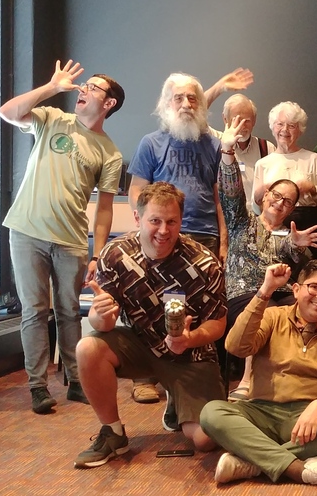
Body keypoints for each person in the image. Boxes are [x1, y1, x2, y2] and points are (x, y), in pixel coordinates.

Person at [0, 59, 124, 413]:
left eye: (93, 87)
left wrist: (99, 255)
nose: (83, 90)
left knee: (69, 312)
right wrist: (52, 87)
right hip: (26, 232)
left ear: (109, 103)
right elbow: (8, 112)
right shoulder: (53, 118)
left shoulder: (110, 153)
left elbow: (104, 210)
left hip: (70, 240)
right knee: (35, 310)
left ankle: (76, 381)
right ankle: (38, 386)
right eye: (84, 86)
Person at [73, 182, 227, 468]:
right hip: (140, 344)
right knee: (88, 347)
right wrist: (99, 315)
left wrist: (189, 339)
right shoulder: (115, 254)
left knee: (206, 440)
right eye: (154, 221)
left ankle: (176, 400)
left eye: (172, 222)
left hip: (191, 356)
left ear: (182, 220)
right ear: (137, 218)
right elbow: (102, 325)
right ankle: (113, 433)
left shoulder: (205, 263)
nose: (163, 231)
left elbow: (218, 323)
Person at [200, 261, 317, 488]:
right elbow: (236, 346)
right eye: (314, 287)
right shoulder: (273, 316)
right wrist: (264, 292)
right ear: (296, 290)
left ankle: (252, 462)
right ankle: (297, 468)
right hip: (262, 412)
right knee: (212, 413)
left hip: (311, 423)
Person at [127, 72, 227, 406]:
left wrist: (224, 240)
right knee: (150, 304)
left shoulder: (214, 144)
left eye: (192, 98)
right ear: (167, 103)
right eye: (179, 98)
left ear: (201, 104)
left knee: (198, 308)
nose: (186, 104)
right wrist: (144, 227)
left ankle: (187, 372)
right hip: (159, 235)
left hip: (204, 236)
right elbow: (137, 190)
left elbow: (219, 197)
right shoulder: (150, 143)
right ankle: (146, 377)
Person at [218, 116, 317, 401]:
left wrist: (299, 246)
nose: (280, 203)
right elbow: (230, 194)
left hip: (281, 292)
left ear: (292, 208)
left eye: (288, 201)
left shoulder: (288, 233)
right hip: (246, 294)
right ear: (266, 194)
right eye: (277, 196)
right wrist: (228, 154)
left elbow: (293, 254)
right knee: (267, 314)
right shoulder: (242, 221)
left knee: (306, 309)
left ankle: (302, 380)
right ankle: (248, 379)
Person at [252, 101, 317, 234]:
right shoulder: (262, 163)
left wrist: (312, 189)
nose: (285, 130)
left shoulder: (312, 158)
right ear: (272, 127)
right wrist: (258, 195)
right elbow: (256, 209)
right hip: (272, 228)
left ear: (300, 130)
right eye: (280, 124)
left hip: (306, 224)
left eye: (292, 126)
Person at [211, 93, 273, 215]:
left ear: (254, 120)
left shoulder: (266, 148)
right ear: (225, 119)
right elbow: (197, 117)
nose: (242, 127)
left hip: (258, 220)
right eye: (237, 120)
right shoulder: (215, 143)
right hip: (225, 220)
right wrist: (219, 88)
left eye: (247, 121)